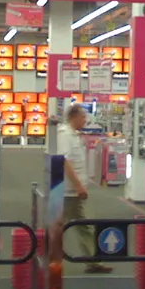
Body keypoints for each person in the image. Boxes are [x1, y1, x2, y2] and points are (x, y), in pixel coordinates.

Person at [57, 104, 111, 274]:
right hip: (67, 191)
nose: (85, 121)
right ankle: (47, 260)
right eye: (82, 117)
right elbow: (64, 161)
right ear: (73, 117)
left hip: (72, 191)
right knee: (61, 226)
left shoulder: (74, 135)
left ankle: (92, 261)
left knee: (81, 225)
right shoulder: (65, 135)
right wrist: (78, 185)